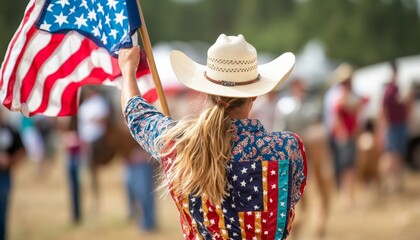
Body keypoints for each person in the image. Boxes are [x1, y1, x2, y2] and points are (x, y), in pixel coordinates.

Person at [119, 34, 307, 239]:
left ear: (206, 91)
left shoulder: (179, 143)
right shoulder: (287, 147)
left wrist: (128, 70)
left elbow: (135, 113)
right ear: (255, 94)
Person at [331, 63, 367, 207]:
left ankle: (348, 195)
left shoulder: (349, 95)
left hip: (350, 135)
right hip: (344, 136)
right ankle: (346, 196)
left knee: (350, 166)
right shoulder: (339, 95)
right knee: (346, 166)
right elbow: (339, 113)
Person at [379, 62, 411, 193]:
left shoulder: (399, 89)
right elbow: (383, 110)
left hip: (399, 125)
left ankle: (396, 182)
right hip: (392, 126)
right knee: (392, 155)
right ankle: (386, 180)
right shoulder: (389, 91)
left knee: (398, 154)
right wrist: (385, 126)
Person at [0, 108, 25, 240]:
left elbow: (21, 150)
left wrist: (10, 161)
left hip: (4, 176)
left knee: (2, 210)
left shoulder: (10, 130)